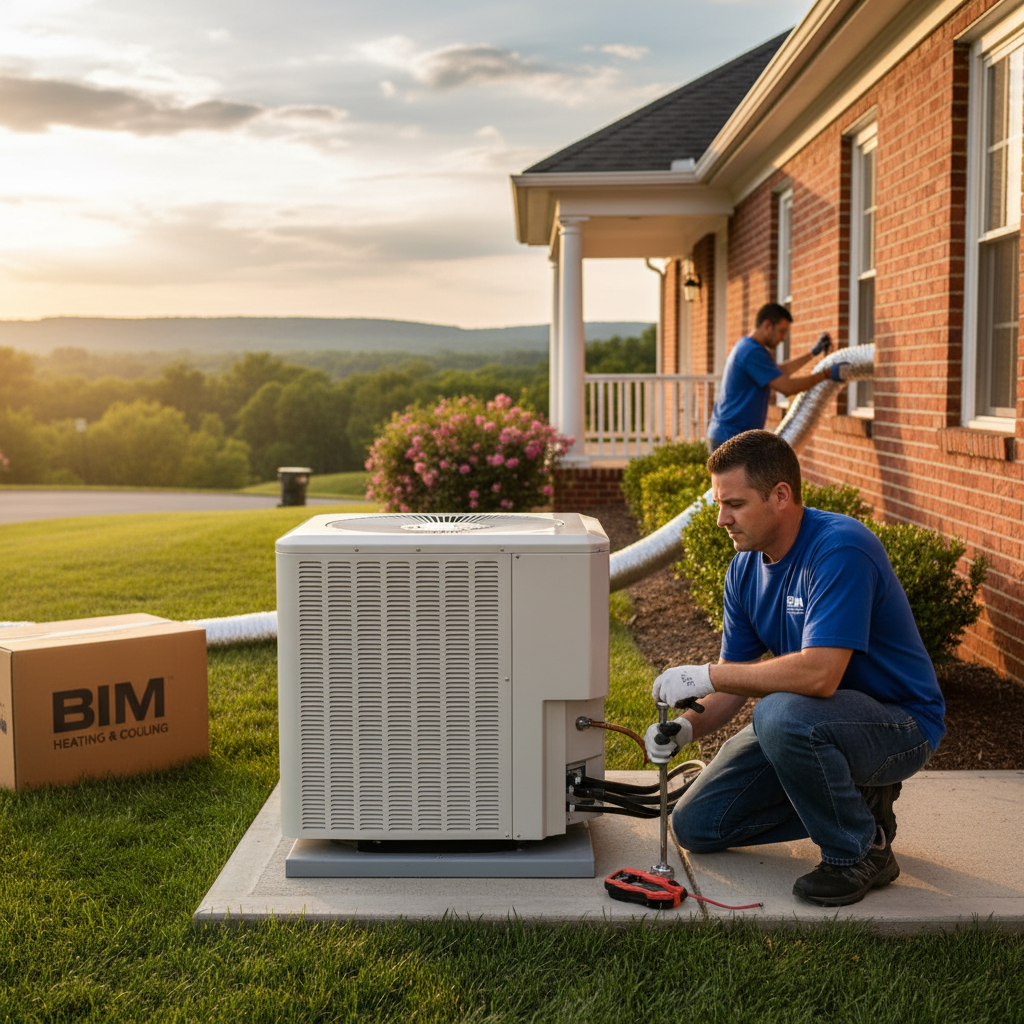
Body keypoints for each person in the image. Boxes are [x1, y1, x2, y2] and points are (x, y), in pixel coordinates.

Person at [644, 430, 944, 907]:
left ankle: (860, 851)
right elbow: (733, 678)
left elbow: (818, 676)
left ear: (781, 495)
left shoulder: (839, 549)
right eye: (720, 504)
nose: (722, 519)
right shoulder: (744, 569)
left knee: (780, 714)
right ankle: (859, 804)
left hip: (898, 724)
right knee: (696, 824)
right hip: (816, 722)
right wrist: (685, 727)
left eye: (735, 504)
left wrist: (708, 674)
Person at [706, 303, 848, 451]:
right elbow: (787, 387)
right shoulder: (752, 352)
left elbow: (780, 371)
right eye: (781, 331)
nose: (783, 338)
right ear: (767, 325)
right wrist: (826, 374)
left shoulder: (749, 347)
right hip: (731, 439)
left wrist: (812, 354)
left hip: (730, 436)